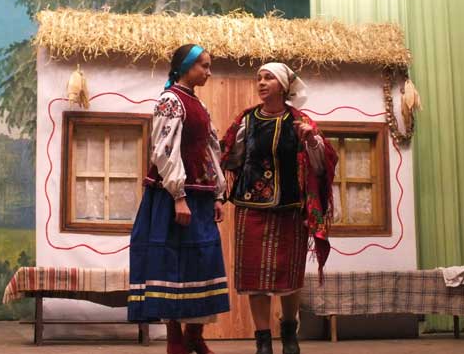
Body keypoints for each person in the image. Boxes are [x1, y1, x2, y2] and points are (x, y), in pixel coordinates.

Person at [221, 63, 338, 354]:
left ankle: (288, 332)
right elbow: (231, 157)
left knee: (289, 275)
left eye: (268, 78)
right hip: (251, 206)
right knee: (254, 277)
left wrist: (311, 140)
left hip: (290, 207)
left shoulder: (300, 122)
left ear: (284, 86)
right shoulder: (247, 120)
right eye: (259, 78)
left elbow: (321, 166)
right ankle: (263, 341)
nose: (261, 83)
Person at [128, 44, 230, 354]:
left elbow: (210, 150)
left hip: (200, 196)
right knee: (171, 264)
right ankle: (175, 339)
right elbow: (164, 151)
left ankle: (194, 335)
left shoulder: (198, 104)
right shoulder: (170, 101)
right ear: (186, 67)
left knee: (202, 262)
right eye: (204, 66)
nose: (208, 72)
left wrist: (217, 193)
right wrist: (178, 196)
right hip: (174, 197)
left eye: (209, 66)